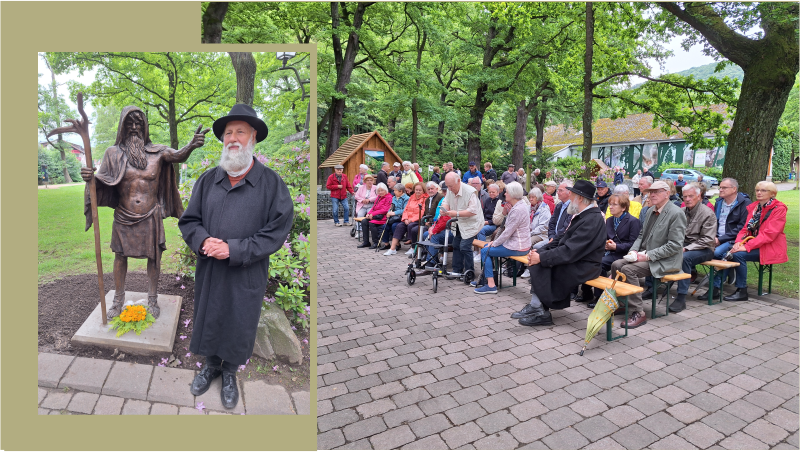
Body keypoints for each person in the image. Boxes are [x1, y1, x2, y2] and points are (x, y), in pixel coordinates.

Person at [179, 105, 294, 409]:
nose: (233, 138)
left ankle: (229, 372)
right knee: (211, 316)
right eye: (228, 133)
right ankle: (210, 366)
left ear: (253, 136)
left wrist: (234, 249)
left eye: (240, 131)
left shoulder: (271, 184)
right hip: (210, 269)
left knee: (238, 320)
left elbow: (277, 230)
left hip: (246, 271)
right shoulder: (207, 180)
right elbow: (190, 221)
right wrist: (204, 241)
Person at [80, 106, 209, 320]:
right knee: (120, 257)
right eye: (129, 123)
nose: (133, 127)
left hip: (150, 215)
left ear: (145, 127)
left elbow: (178, 156)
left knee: (154, 258)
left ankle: (152, 299)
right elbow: (100, 181)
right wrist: (88, 178)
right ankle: (118, 300)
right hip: (124, 215)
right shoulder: (113, 154)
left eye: (138, 123)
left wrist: (191, 146)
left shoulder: (158, 152)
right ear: (122, 126)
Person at [512, 180, 606, 326]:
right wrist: (539, 251)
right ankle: (538, 308)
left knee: (544, 264)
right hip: (576, 260)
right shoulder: (584, 215)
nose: (569, 197)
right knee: (541, 261)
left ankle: (540, 310)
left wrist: (542, 257)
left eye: (572, 195)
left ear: (580, 198)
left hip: (586, 266)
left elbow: (570, 250)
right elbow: (561, 238)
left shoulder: (592, 219)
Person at [610, 181, 687, 328]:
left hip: (666, 260)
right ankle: (622, 302)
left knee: (627, 270)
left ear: (667, 193)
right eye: (651, 191)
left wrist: (648, 255)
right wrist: (633, 250)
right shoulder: (651, 210)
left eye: (657, 192)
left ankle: (638, 312)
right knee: (616, 264)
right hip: (647, 255)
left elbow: (675, 245)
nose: (652, 194)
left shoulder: (676, 213)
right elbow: (640, 235)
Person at [711, 181, 787, 301]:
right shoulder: (755, 207)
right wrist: (738, 243)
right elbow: (745, 229)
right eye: (757, 190)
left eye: (763, 190)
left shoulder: (779, 209)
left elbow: (769, 234)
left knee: (737, 255)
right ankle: (715, 288)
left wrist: (746, 247)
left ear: (772, 194)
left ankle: (742, 291)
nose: (759, 192)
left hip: (769, 247)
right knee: (728, 252)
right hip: (753, 243)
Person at [581, 194, 642, 306]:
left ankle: (600, 297)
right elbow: (606, 237)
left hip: (624, 255)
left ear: (623, 207)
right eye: (610, 204)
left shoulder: (633, 221)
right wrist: (605, 243)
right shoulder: (609, 220)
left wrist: (616, 247)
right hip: (609, 252)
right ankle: (586, 292)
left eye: (614, 204)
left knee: (599, 263)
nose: (610, 207)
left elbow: (634, 244)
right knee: (587, 259)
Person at [473, 182, 531, 294]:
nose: (505, 194)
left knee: (485, 251)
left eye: (507, 192)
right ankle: (485, 280)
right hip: (519, 244)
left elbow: (507, 232)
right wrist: (506, 212)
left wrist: (494, 243)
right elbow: (507, 228)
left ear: (513, 194)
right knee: (486, 247)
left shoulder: (518, 210)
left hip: (518, 246)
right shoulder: (518, 206)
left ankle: (490, 285)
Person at [698, 178, 750, 298]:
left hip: (733, 240)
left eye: (724, 188)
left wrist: (720, 240)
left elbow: (742, 228)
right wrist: (713, 237)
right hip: (717, 238)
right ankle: (718, 283)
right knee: (700, 251)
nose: (720, 190)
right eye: (720, 187)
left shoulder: (744, 203)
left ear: (734, 189)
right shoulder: (719, 202)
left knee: (719, 254)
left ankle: (715, 288)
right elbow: (714, 222)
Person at [670, 182, 717, 312]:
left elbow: (707, 240)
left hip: (704, 248)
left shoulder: (707, 213)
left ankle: (681, 297)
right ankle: (655, 287)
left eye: (691, 196)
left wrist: (686, 248)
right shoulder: (682, 211)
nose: (687, 199)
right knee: (662, 251)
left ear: (699, 196)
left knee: (684, 258)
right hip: (684, 245)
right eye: (685, 197)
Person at [440, 172, 482, 277]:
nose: (449, 189)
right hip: (458, 222)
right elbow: (446, 201)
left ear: (458, 181)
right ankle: (456, 270)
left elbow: (473, 211)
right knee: (456, 245)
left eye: (451, 186)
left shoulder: (470, 191)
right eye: (447, 186)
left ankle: (469, 272)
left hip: (472, 223)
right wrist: (444, 209)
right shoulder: (450, 189)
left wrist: (456, 213)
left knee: (464, 246)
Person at [384, 182, 428, 255]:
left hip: (417, 220)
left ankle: (412, 247)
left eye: (420, 190)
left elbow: (422, 212)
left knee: (411, 226)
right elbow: (406, 209)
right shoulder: (411, 197)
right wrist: (405, 218)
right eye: (416, 190)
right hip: (407, 219)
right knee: (399, 226)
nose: (418, 191)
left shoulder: (425, 199)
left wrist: (411, 220)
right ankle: (392, 248)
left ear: (423, 190)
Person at [534, 180, 573, 250]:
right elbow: (551, 222)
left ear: (569, 193)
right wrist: (551, 236)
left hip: (562, 241)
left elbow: (566, 227)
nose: (557, 193)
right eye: (558, 190)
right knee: (536, 247)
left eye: (560, 191)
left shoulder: (572, 208)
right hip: (552, 237)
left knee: (538, 249)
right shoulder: (559, 205)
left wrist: (554, 238)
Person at [357, 183, 393, 249]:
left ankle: (376, 242)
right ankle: (366, 242)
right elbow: (374, 207)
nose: (380, 192)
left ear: (385, 190)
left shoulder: (389, 197)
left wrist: (372, 214)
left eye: (382, 190)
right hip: (376, 216)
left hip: (383, 217)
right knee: (364, 221)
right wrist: (368, 214)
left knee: (372, 223)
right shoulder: (378, 197)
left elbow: (385, 210)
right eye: (379, 191)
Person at [379, 183, 410, 250]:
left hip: (401, 218)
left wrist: (394, 213)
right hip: (393, 218)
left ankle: (397, 243)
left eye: (395, 190)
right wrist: (388, 213)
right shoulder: (394, 198)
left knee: (394, 226)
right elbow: (391, 208)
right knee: (385, 226)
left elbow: (405, 210)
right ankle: (386, 243)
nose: (394, 192)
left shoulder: (407, 198)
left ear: (401, 191)